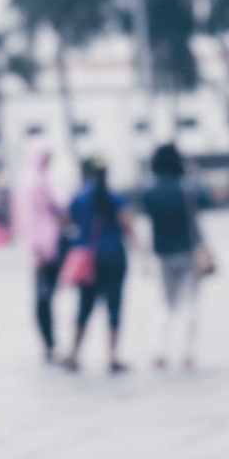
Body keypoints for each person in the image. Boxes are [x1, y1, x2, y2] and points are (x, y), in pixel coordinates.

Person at [61, 158, 138, 373]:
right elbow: (128, 226)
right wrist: (143, 255)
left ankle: (74, 354)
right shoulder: (116, 198)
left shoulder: (79, 198)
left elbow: (66, 222)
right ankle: (112, 357)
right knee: (114, 306)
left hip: (89, 259)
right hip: (114, 256)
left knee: (84, 307)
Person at [141, 143, 211, 370]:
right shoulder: (188, 187)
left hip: (163, 252)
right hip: (189, 250)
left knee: (165, 303)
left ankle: (158, 351)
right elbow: (207, 199)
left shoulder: (150, 191)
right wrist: (192, 173)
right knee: (191, 302)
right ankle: (187, 353)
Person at [11, 140, 66, 362]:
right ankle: (49, 344)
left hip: (55, 245)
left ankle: (54, 342)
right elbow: (26, 220)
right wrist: (35, 250)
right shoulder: (30, 183)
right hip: (42, 250)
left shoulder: (46, 180)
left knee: (50, 296)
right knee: (44, 298)